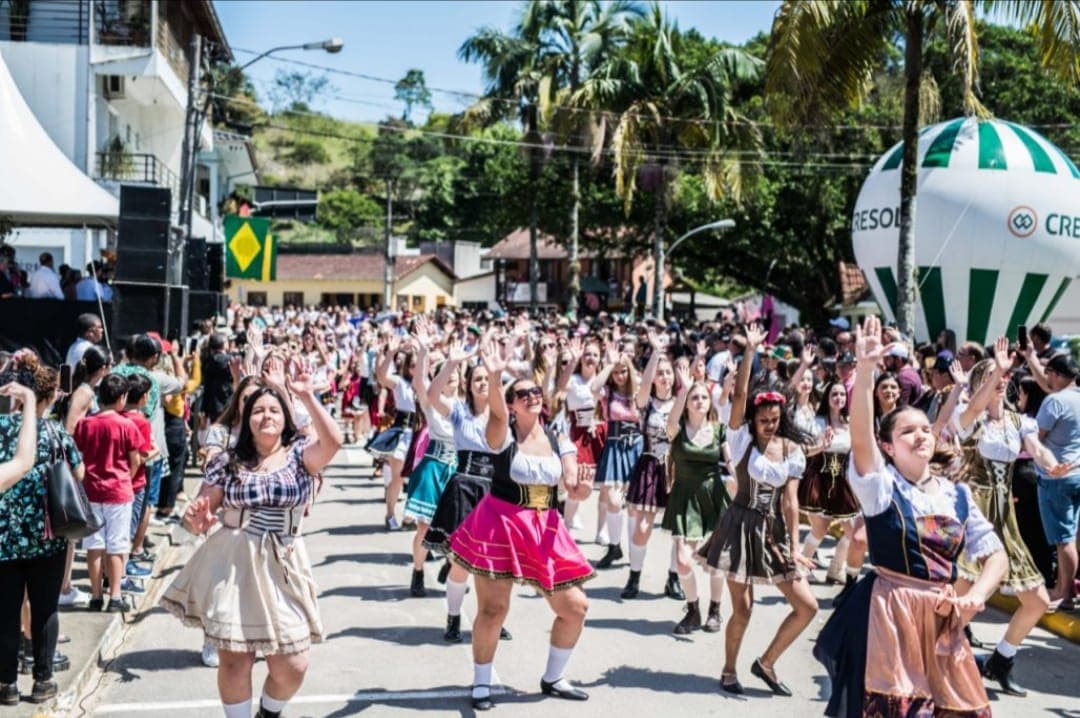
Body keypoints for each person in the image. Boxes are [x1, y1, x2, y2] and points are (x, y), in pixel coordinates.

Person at [815, 315, 1006, 717]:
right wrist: (865, 373)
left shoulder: (957, 496)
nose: (921, 435)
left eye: (924, 428)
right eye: (907, 432)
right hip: (893, 613)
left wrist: (975, 595)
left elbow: (997, 557)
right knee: (900, 707)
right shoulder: (882, 488)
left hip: (942, 617)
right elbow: (862, 438)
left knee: (959, 708)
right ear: (889, 447)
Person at [161, 362, 342, 718]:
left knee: (294, 662)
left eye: (274, 410)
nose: (266, 416)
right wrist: (197, 516)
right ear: (246, 418)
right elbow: (203, 507)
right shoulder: (228, 461)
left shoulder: (300, 456)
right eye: (258, 410)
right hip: (235, 561)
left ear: (285, 418)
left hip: (285, 562)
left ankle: (269, 712)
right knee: (234, 659)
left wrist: (305, 394)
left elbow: (333, 441)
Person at [447, 346, 593, 711]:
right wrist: (495, 377)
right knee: (494, 610)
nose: (531, 397)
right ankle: (482, 682)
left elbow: (573, 481)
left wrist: (581, 489)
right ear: (511, 403)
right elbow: (495, 414)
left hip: (545, 529)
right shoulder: (503, 434)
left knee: (575, 607)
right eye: (522, 394)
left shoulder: (559, 438)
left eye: (535, 393)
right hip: (501, 524)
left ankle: (554, 677)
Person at [699, 323, 817, 696]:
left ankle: (765, 663)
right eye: (763, 420)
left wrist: (796, 547)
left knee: (807, 606)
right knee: (744, 609)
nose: (769, 425)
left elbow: (790, 501)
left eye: (775, 421)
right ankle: (729, 669)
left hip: (773, 531)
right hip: (739, 524)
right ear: (753, 419)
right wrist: (750, 351)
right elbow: (740, 396)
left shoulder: (790, 451)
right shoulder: (740, 436)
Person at [953, 341, 1073, 696]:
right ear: (979, 384)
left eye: (1004, 376)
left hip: (1005, 519)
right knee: (963, 603)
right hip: (974, 517)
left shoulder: (1019, 421)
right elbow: (974, 407)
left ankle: (1000, 661)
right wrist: (993, 374)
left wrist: (1053, 465)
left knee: (1036, 601)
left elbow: (1038, 450)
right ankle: (931, 660)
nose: (1001, 380)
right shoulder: (968, 419)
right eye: (992, 376)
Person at [0, 365, 82, 706]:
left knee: (5, 611)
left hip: (4, 538)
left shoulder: (1, 428)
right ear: (49, 397)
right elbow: (78, 472)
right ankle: (42, 678)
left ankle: (6, 684)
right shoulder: (57, 434)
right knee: (45, 608)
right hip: (47, 536)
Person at [661, 363, 730, 635]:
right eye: (694, 397)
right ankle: (693, 609)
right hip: (684, 497)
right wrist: (685, 388)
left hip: (713, 495)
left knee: (717, 559)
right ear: (687, 402)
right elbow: (670, 420)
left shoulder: (718, 429)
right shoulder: (676, 429)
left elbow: (730, 461)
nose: (699, 401)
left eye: (703, 396)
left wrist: (741, 481)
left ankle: (715, 610)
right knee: (682, 560)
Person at [73, 374, 143, 613]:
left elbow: (78, 457)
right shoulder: (127, 425)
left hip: (91, 491)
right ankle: (115, 595)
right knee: (117, 546)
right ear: (122, 398)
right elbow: (135, 460)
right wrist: (127, 478)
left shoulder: (85, 424)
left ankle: (95, 596)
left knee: (94, 545)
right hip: (119, 491)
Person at [622, 331, 677, 599]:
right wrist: (655, 353)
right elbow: (642, 389)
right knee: (643, 528)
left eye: (669, 373)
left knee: (680, 530)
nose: (665, 377)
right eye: (660, 373)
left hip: (677, 470)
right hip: (651, 467)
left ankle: (674, 578)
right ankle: (634, 577)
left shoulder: (683, 402)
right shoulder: (647, 404)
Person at [403, 335, 457, 598]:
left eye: (454, 377)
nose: (450, 381)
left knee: (459, 528)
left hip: (458, 472)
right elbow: (418, 382)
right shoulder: (432, 406)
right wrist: (424, 351)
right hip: (434, 467)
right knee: (424, 526)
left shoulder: (467, 408)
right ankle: (418, 571)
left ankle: (450, 562)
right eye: (444, 377)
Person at [1033, 352, 1080, 611]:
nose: (1047, 378)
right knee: (1073, 537)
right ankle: (1067, 587)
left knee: (1064, 539)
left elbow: (1036, 436)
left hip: (1056, 475)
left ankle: (1064, 591)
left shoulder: (1054, 401)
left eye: (1049, 373)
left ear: (1058, 375)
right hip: (1077, 472)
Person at [593, 347, 644, 569]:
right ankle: (614, 546)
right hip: (615, 445)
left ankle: (634, 547)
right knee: (613, 500)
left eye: (623, 371)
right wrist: (608, 365)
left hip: (637, 447)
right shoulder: (608, 392)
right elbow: (593, 387)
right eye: (617, 372)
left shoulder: (639, 390)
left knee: (633, 505)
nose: (620, 376)